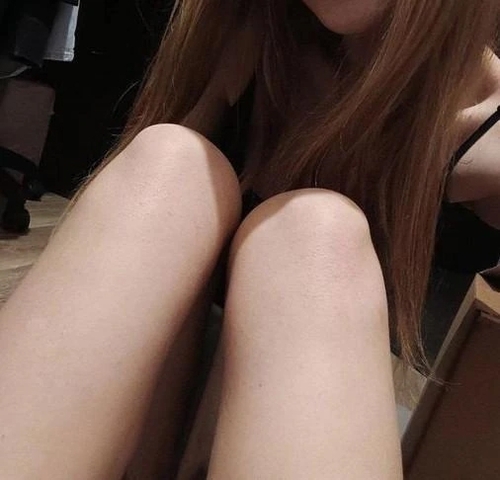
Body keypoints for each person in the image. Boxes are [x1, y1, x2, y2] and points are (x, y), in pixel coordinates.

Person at [0, 0, 499, 479]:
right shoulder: (255, 28)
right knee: (170, 157)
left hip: (304, 407)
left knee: (316, 231)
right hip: (150, 410)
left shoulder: (489, 138)